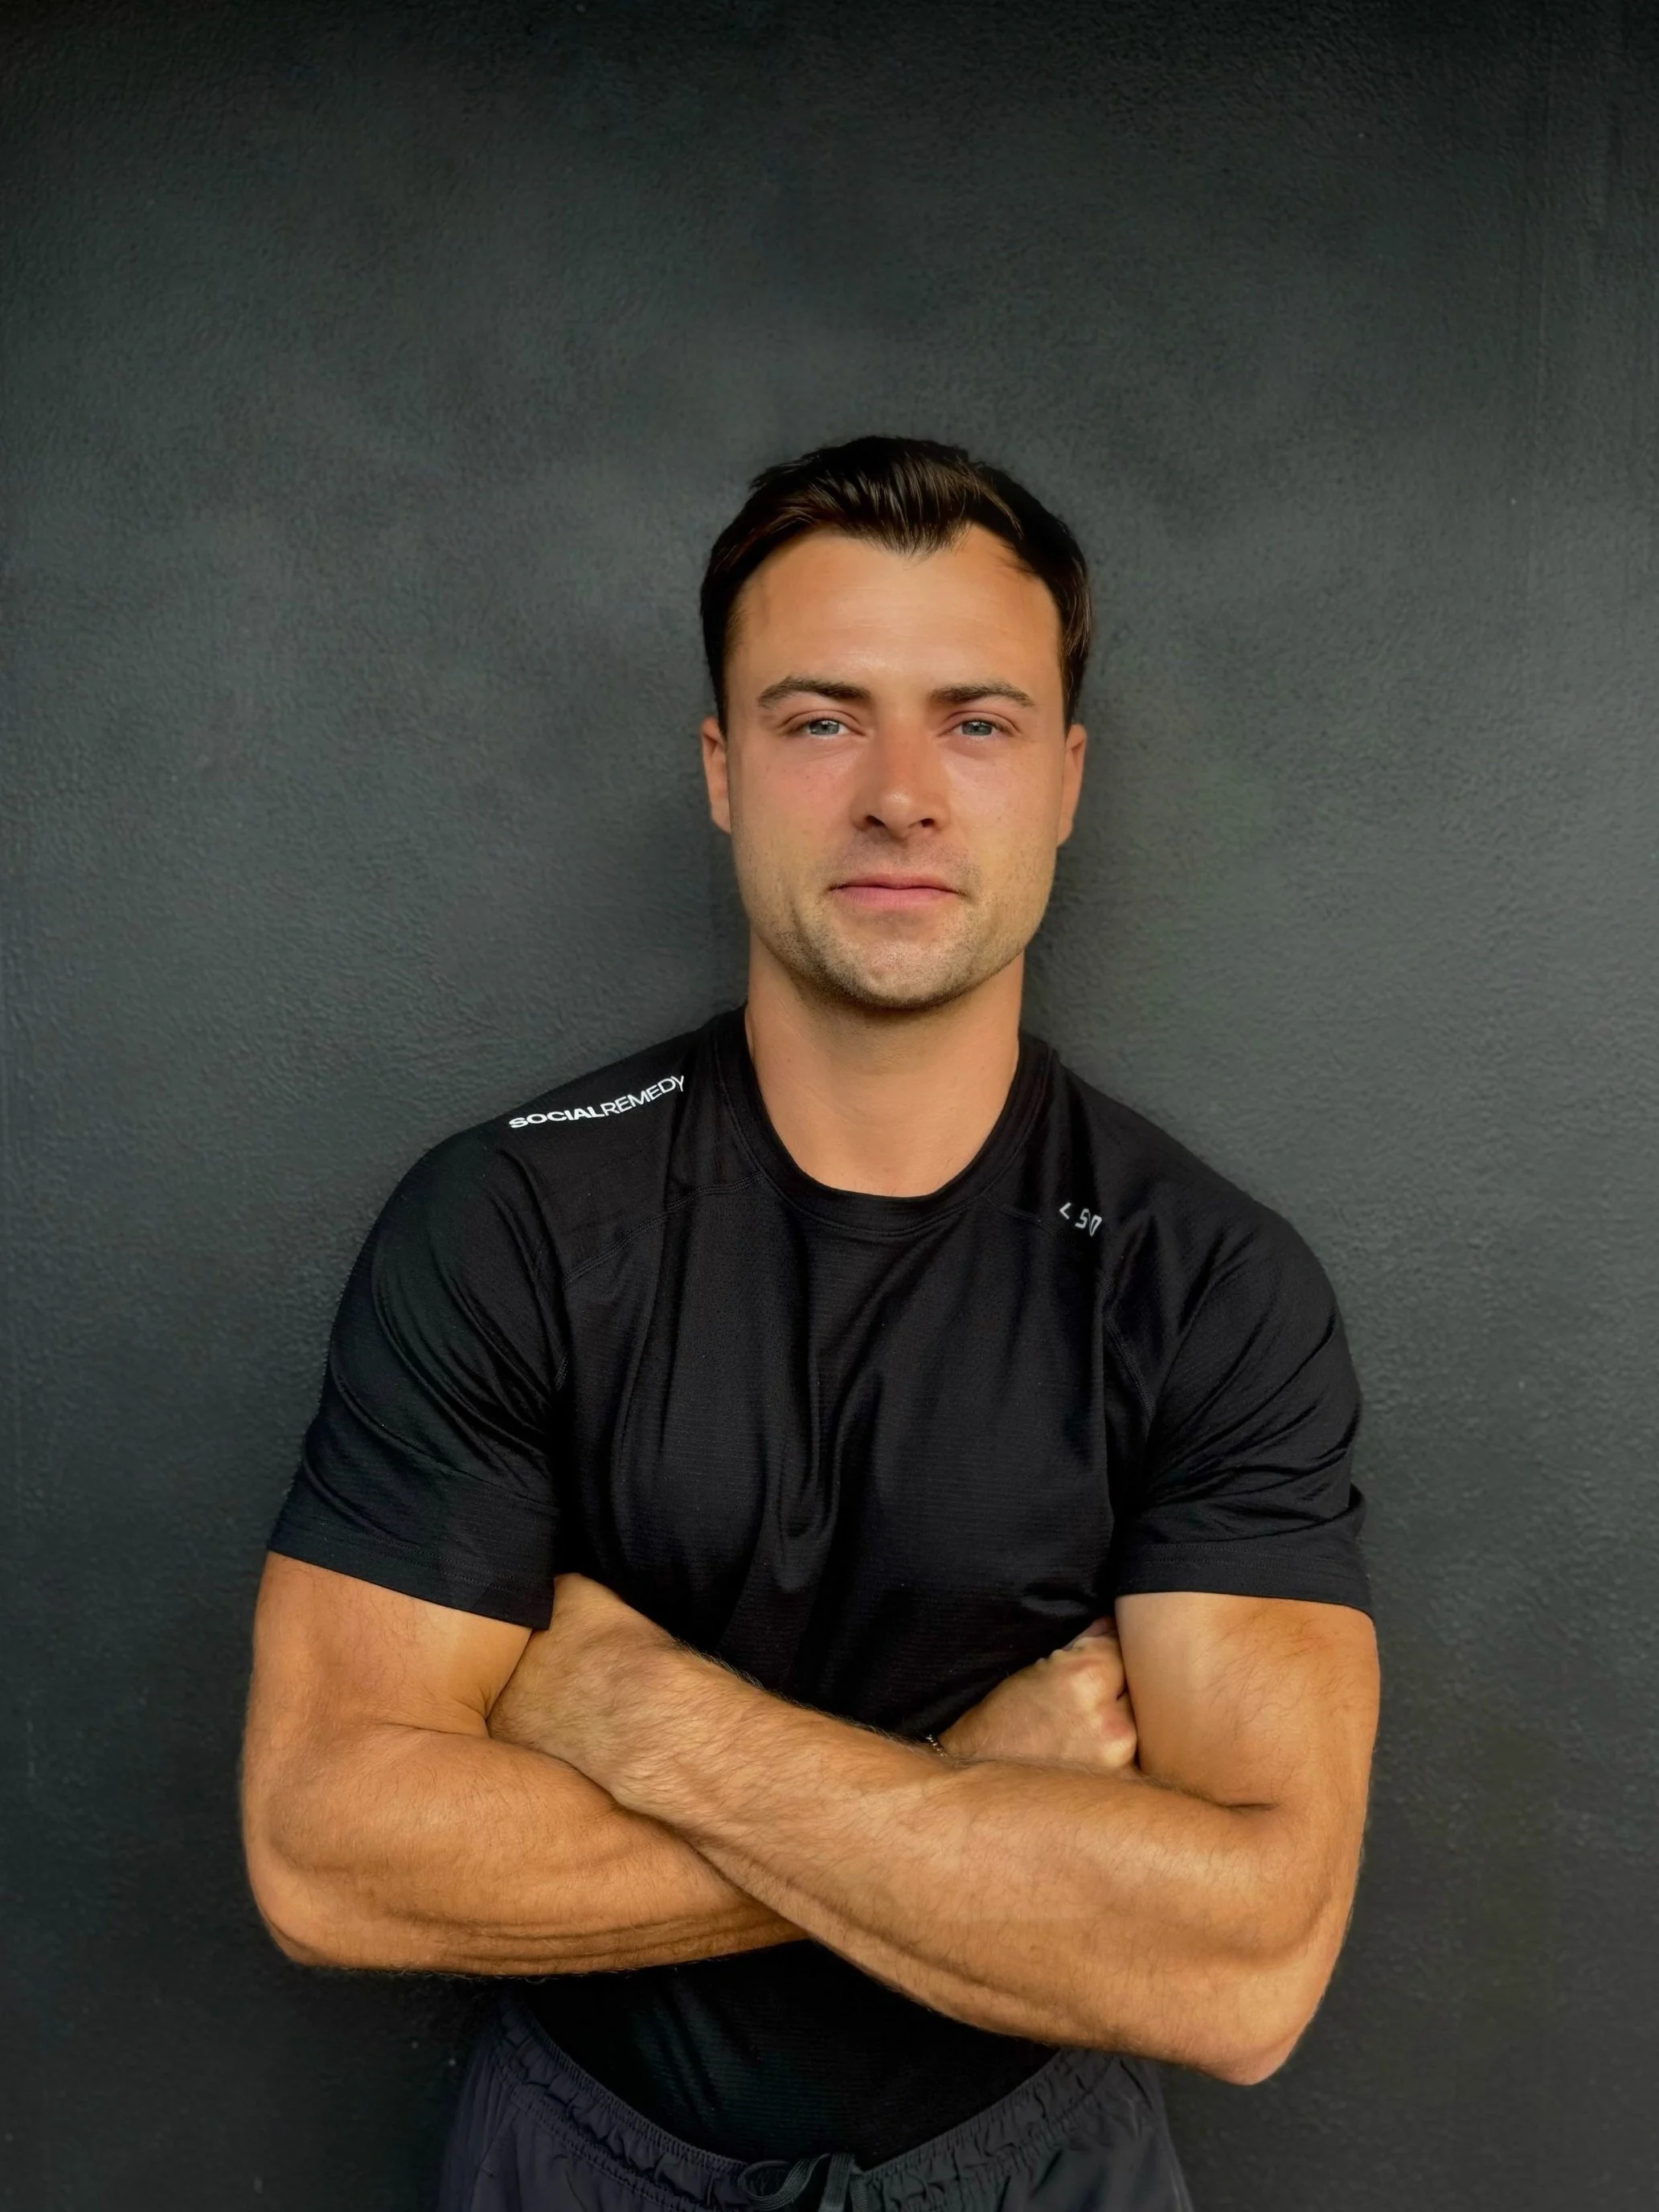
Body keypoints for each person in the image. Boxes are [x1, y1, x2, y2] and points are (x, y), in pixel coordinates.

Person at [241, 436, 1378, 2212]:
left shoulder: (1206, 1283)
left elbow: (1242, 1969)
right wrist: (967, 1786)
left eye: (977, 722)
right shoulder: (512, 1226)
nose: (900, 794)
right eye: (822, 718)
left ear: (1067, 779)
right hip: (583, 2156)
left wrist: (638, 1711)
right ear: (722, 767)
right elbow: (326, 1852)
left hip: (1036, 2166)